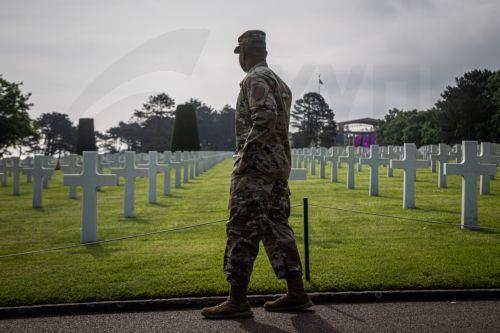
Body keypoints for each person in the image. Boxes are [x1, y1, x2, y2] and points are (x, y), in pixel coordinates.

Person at [201, 30, 313, 319]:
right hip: (276, 169)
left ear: (245, 52)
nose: (239, 58)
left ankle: (236, 299)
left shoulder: (255, 79)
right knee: (277, 228)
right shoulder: (280, 82)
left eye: (239, 53)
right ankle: (296, 292)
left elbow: (265, 116)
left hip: (256, 170)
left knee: (242, 230)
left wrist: (245, 156)